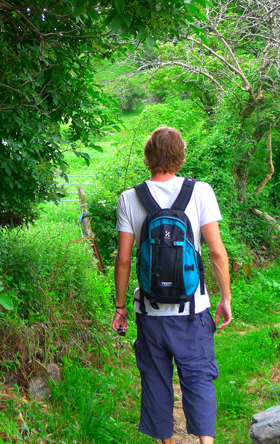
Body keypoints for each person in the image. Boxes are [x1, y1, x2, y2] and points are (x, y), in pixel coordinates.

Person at [112, 126, 232, 444]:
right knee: (199, 379)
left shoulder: (129, 198)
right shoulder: (201, 191)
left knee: (155, 382)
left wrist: (121, 306)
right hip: (193, 311)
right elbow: (217, 252)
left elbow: (124, 260)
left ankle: (167, 442)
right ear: (180, 155)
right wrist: (225, 298)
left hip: (151, 315)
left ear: (148, 156)